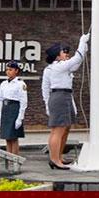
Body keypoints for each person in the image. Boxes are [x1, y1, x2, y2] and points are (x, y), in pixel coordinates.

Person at [42, 33, 90, 170]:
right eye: (63, 52)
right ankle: (55, 160)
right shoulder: (58, 66)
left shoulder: (62, 66)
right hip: (60, 97)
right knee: (58, 130)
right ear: (57, 56)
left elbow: (77, 62)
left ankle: (57, 157)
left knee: (62, 128)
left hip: (64, 97)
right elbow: (77, 58)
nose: (66, 54)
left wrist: (84, 47)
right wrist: (82, 41)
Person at [0, 61, 27, 157]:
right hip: (6, 110)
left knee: (14, 137)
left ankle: (15, 160)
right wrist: (0, 116)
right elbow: (1, 100)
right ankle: (8, 159)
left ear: (16, 71)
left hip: (14, 109)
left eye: (10, 70)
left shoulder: (20, 84)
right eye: (7, 69)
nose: (8, 71)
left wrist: (20, 118)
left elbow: (23, 102)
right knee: (7, 137)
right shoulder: (3, 84)